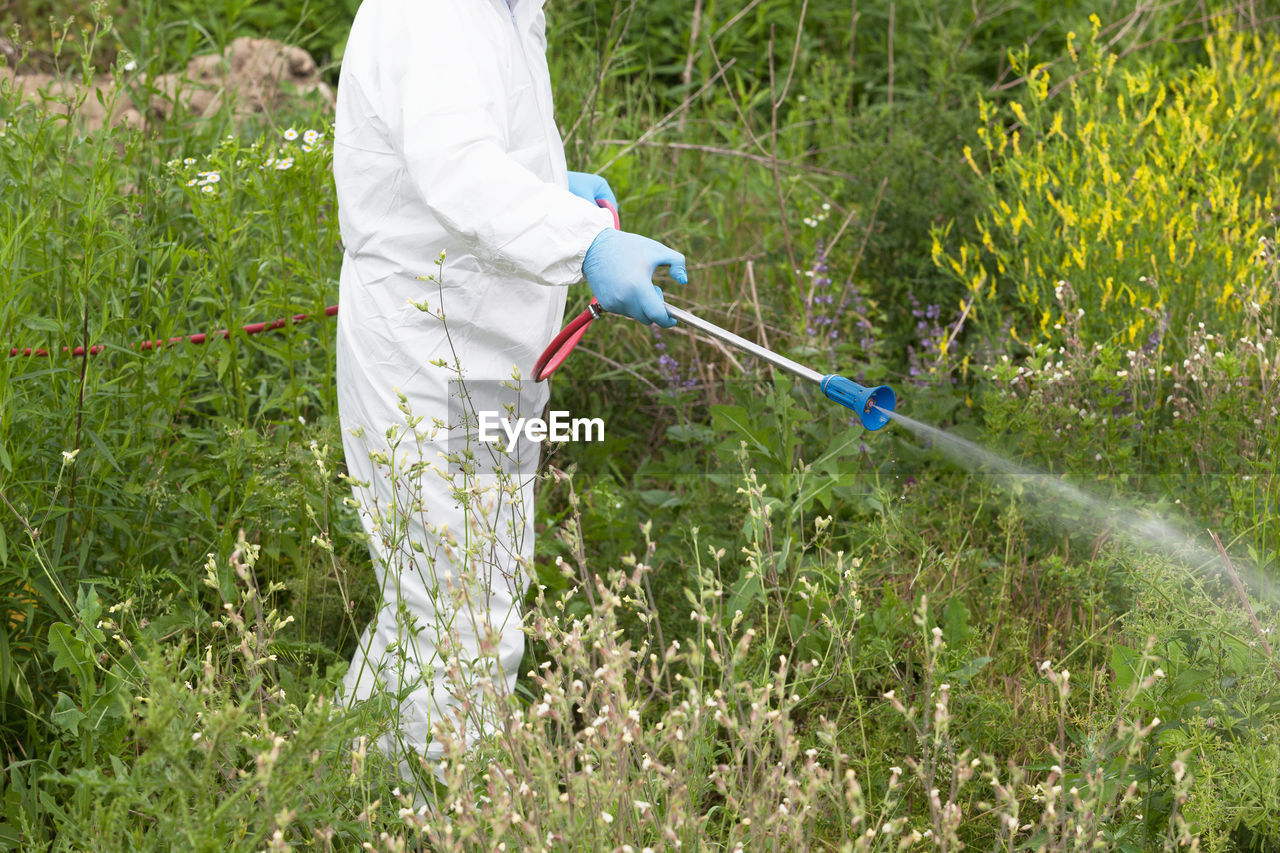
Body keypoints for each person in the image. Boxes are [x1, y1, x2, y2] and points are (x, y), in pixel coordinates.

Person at [331, 0, 687, 788]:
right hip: (429, 348)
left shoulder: (509, 8)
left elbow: (468, 140)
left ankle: (344, 790)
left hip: (492, 348)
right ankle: (439, 816)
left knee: (457, 587)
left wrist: (552, 186)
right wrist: (583, 239)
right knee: (462, 618)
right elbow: (457, 166)